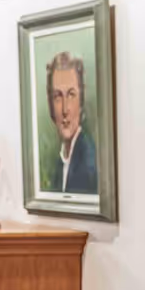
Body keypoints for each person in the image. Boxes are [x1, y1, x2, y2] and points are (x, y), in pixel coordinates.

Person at [45, 52, 98, 195]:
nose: (64, 109)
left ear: (81, 101)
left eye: (71, 94)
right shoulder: (60, 163)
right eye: (58, 97)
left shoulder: (89, 163)